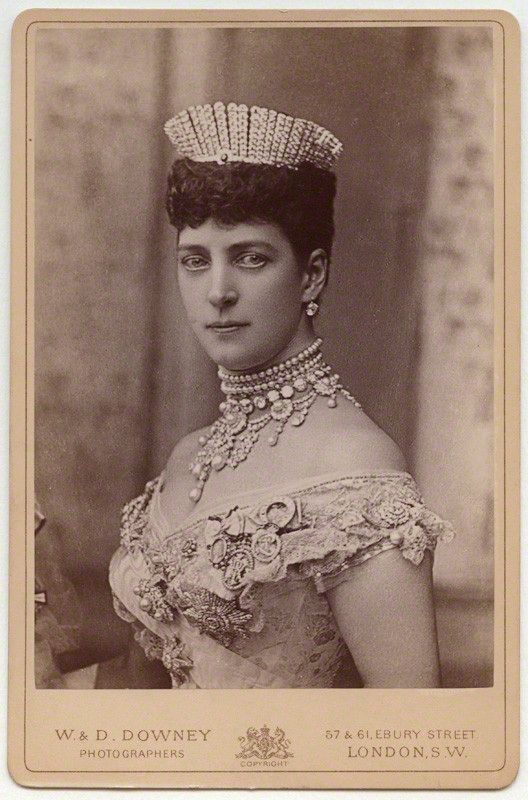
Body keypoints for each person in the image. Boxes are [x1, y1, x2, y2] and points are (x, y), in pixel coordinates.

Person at [106, 101, 454, 690]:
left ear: (311, 274)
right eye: (195, 261)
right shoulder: (188, 455)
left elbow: (409, 727)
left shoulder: (356, 466)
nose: (218, 292)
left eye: (250, 258)